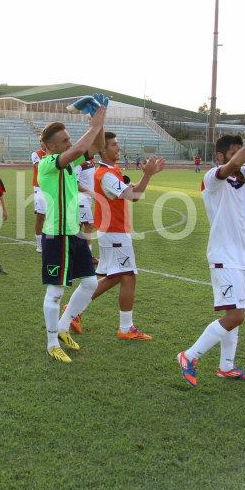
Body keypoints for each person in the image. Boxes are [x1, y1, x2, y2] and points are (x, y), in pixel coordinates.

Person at [177, 111, 245, 387]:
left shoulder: (242, 175)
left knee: (237, 313)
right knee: (235, 314)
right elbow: (236, 162)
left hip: (242, 256)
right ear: (221, 157)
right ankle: (189, 355)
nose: (241, 156)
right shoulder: (212, 177)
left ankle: (226, 367)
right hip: (223, 256)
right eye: (235, 152)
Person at [67, 132, 164, 339]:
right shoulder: (106, 175)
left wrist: (149, 174)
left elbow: (132, 190)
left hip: (113, 231)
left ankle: (74, 311)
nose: (118, 148)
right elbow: (133, 196)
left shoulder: (110, 171)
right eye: (113, 145)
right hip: (114, 232)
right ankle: (126, 328)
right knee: (128, 276)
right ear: (103, 149)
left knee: (114, 277)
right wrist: (146, 174)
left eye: (117, 144)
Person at [37, 105, 107, 363]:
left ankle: (64, 326)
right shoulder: (47, 164)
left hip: (74, 233)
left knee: (89, 283)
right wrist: (92, 125)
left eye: (69, 139)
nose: (70, 142)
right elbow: (79, 149)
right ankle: (51, 342)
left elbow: (95, 147)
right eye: (64, 140)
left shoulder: (68, 162)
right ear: (51, 147)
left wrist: (100, 122)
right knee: (55, 292)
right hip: (56, 236)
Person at [31, 141, 48, 253]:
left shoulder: (56, 154)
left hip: (53, 188)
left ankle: (51, 241)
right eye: (41, 141)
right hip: (40, 188)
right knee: (41, 216)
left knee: (53, 216)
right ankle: (39, 244)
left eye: (45, 141)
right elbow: (41, 168)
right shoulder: (36, 154)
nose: (43, 143)